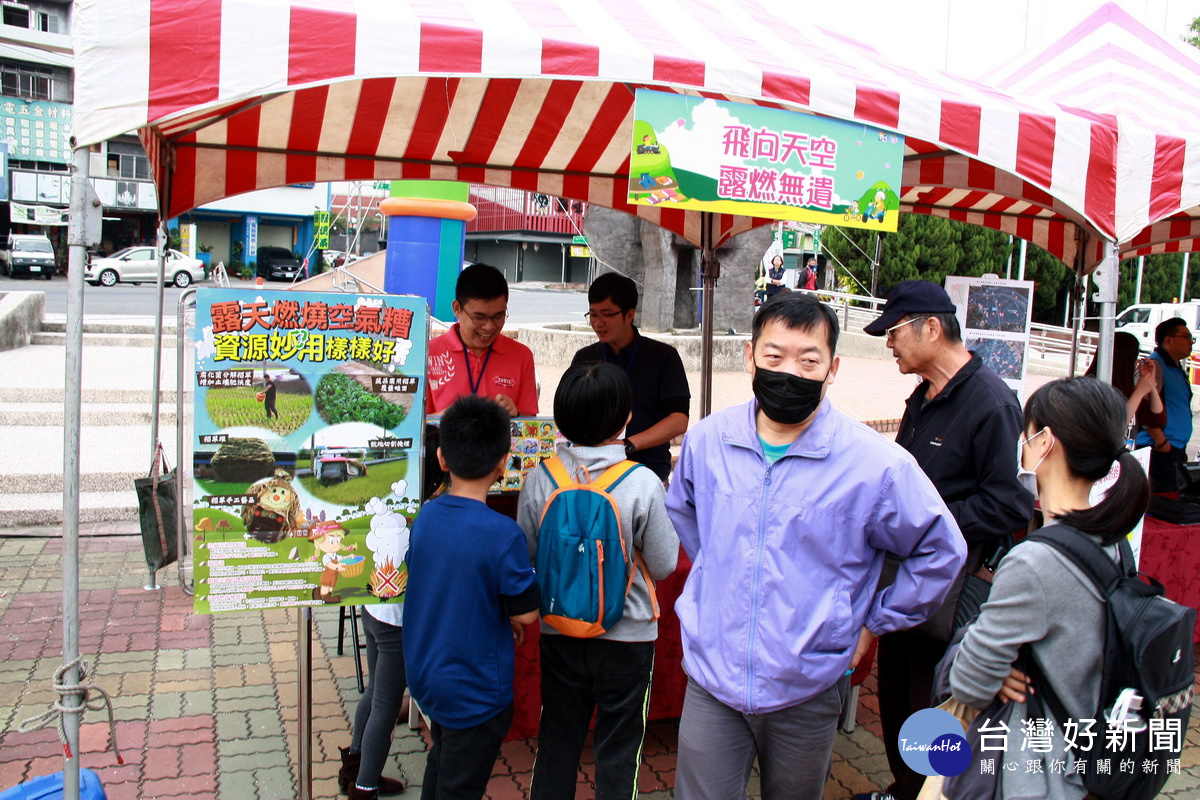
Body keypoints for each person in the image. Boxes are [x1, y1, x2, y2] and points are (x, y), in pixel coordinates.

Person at [664, 292, 966, 800]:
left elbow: (940, 550)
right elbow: (687, 512)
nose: (790, 372)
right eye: (774, 357)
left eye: (809, 360)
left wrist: (873, 622)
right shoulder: (707, 441)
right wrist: (721, 577)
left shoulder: (874, 465)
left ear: (833, 367)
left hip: (809, 682)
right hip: (713, 679)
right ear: (750, 356)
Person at [860, 280, 1034, 800]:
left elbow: (1010, 505)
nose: (887, 344)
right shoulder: (923, 397)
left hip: (952, 591)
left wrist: (930, 520)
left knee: (933, 702)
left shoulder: (993, 404)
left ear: (931, 328)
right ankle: (904, 786)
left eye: (892, 332)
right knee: (896, 693)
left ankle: (932, 791)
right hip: (904, 579)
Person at [945, 377, 1150, 799]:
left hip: (1033, 776)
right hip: (1087, 761)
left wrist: (988, 663)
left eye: (1026, 433)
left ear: (1044, 442)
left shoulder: (1035, 562)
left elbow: (968, 685)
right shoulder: (1113, 541)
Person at [517, 362, 679, 800]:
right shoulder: (642, 482)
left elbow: (530, 556)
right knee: (618, 749)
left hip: (559, 631)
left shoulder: (540, 477)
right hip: (628, 640)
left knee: (558, 740)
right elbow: (664, 564)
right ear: (627, 418)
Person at [403, 396, 540, 800]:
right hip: (476, 689)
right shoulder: (502, 533)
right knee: (460, 784)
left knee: (443, 761)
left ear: (442, 458)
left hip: (428, 676)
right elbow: (528, 614)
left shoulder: (426, 516)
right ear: (503, 463)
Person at [338, 430, 450, 800]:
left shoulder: (397, 501)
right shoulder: (426, 513)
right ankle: (364, 788)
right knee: (386, 703)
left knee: (375, 693)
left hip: (373, 609)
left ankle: (353, 769)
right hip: (395, 621)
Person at [570, 272, 690, 482]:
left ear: (629, 314)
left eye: (607, 315)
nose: (598, 323)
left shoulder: (663, 357)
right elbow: (570, 412)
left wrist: (628, 445)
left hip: (648, 472)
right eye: (593, 315)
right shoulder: (585, 358)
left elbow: (678, 420)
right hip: (593, 473)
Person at [426, 263, 538, 417]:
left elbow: (531, 425)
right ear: (457, 309)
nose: (489, 326)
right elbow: (414, 426)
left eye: (498, 316)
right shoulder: (429, 353)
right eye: (479, 318)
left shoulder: (521, 356)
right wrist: (450, 418)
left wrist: (516, 415)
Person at [1135, 317, 1194, 493]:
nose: (1191, 342)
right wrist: (1162, 442)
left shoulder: (1175, 367)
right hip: (1159, 449)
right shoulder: (1155, 366)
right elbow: (1144, 408)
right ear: (1169, 340)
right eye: (1186, 337)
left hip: (1173, 449)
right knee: (1160, 504)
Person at [1083, 330, 1164, 428]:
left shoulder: (1127, 390)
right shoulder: (1089, 388)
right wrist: (1139, 391)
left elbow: (1158, 419)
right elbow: (1116, 425)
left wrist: (1150, 383)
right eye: (1135, 357)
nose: (1137, 362)